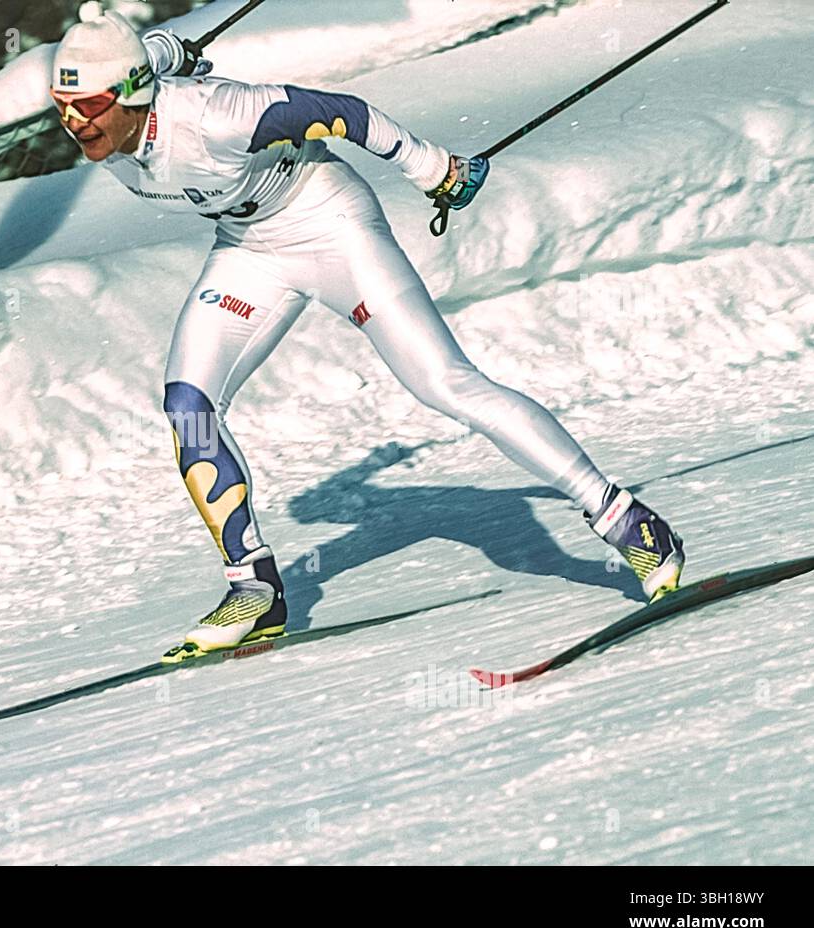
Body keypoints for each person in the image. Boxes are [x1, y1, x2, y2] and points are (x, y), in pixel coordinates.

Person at [49, 3, 685, 663]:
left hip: (332, 228)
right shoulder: (128, 87)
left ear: (131, 96)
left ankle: (625, 520)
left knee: (447, 384)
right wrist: (166, 51)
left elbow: (346, 111)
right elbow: (152, 55)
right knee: (190, 407)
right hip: (249, 250)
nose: (74, 123)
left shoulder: (220, 116)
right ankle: (254, 590)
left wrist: (432, 166)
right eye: (61, 107)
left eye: (87, 107)